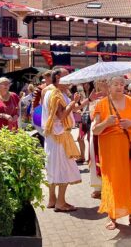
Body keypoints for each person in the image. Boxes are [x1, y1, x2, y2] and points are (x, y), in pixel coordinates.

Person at [92, 76, 131, 230]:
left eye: (122, 84)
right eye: (115, 84)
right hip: (111, 151)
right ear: (108, 86)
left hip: (129, 148)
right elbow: (95, 130)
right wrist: (105, 123)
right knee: (113, 181)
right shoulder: (101, 104)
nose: (119, 87)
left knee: (130, 179)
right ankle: (112, 215)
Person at [43, 68, 81, 212]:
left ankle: (52, 200)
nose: (70, 79)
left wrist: (79, 102)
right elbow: (61, 116)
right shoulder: (56, 94)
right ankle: (61, 203)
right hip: (59, 136)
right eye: (67, 76)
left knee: (53, 168)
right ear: (58, 77)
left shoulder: (50, 91)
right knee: (64, 169)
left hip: (53, 136)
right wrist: (73, 103)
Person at [88, 79, 108, 199]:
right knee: (94, 156)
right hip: (96, 128)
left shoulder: (113, 96)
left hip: (108, 128)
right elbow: (92, 115)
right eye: (100, 82)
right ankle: (97, 187)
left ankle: (107, 185)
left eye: (105, 81)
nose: (102, 83)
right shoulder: (94, 97)